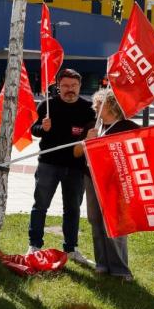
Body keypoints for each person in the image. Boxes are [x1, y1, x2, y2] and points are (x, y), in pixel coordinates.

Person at [26, 68, 95, 265]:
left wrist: (92, 135)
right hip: (49, 163)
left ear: (80, 86)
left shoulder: (89, 109)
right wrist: (42, 128)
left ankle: (71, 249)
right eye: (65, 86)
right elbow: (33, 129)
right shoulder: (47, 105)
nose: (69, 89)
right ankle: (34, 245)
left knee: (72, 209)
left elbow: (94, 136)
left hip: (76, 167)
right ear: (58, 87)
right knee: (40, 205)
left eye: (73, 86)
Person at [75, 88, 137, 281]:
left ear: (112, 105)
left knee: (114, 223)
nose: (95, 106)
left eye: (99, 103)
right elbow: (77, 152)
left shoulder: (128, 126)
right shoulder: (94, 126)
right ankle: (102, 264)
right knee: (95, 221)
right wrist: (87, 141)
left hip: (115, 181)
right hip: (91, 178)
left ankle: (120, 269)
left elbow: (135, 153)